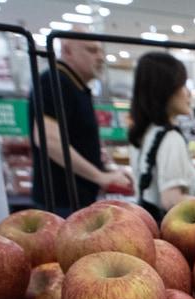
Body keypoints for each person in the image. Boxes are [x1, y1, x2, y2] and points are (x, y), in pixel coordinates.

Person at [31, 34, 129, 215]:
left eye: (100, 51)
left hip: (77, 199)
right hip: (62, 202)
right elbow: (48, 139)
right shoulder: (55, 81)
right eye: (91, 50)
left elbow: (78, 140)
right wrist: (100, 177)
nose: (100, 56)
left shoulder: (75, 85)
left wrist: (107, 169)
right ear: (67, 50)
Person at [127, 53, 195, 218]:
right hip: (174, 230)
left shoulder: (145, 133)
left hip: (148, 224)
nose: (188, 93)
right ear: (165, 90)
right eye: (182, 85)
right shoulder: (171, 138)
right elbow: (171, 200)